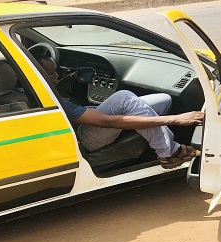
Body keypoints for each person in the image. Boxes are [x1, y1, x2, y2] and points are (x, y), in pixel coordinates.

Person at [32, 52, 203, 169]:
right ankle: (168, 152)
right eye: (50, 73)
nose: (56, 76)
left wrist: (69, 80)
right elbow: (109, 122)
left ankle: (160, 143)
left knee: (163, 100)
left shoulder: (29, 89)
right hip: (82, 139)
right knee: (124, 98)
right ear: (37, 75)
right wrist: (175, 119)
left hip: (83, 121)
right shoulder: (55, 102)